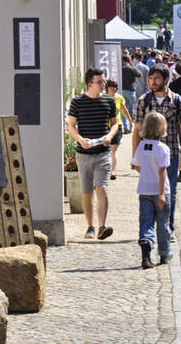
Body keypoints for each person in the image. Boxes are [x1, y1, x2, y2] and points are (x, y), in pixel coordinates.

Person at [133, 63, 181, 238]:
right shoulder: (144, 101)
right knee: (147, 193)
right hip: (148, 156)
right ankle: (148, 229)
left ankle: (167, 228)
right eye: (150, 78)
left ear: (166, 79)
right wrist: (135, 156)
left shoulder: (177, 100)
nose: (153, 81)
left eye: (156, 78)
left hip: (171, 154)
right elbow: (137, 130)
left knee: (169, 192)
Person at [67, 68, 119, 240]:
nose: (104, 85)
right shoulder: (78, 102)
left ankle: (102, 227)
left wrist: (110, 137)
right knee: (87, 192)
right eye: (100, 82)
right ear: (90, 84)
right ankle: (90, 226)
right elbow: (71, 126)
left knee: (102, 188)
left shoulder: (109, 102)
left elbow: (115, 124)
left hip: (103, 152)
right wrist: (80, 139)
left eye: (104, 81)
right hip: (84, 153)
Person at [131, 112, 172, 269]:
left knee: (146, 221)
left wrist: (146, 173)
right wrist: (161, 193)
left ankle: (146, 247)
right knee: (163, 223)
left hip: (144, 190)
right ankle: (164, 253)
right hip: (161, 191)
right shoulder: (162, 149)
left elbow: (135, 166)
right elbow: (162, 172)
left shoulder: (141, 146)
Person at [105, 79, 132, 180]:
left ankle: (113, 172)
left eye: (115, 86)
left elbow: (124, 110)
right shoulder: (102, 98)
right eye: (112, 86)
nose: (114, 89)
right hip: (104, 127)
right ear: (107, 88)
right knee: (106, 150)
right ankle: (106, 170)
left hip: (117, 126)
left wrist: (130, 121)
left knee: (113, 150)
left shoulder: (119, 98)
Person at [121, 54, 142, 131]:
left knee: (124, 110)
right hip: (131, 90)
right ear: (129, 60)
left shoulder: (120, 68)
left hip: (122, 90)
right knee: (131, 109)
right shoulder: (132, 68)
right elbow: (140, 75)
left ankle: (126, 127)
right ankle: (131, 126)